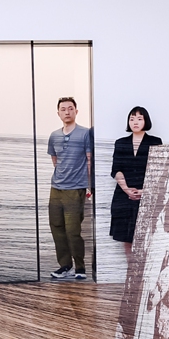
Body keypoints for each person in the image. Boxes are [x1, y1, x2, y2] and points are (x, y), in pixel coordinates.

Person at [48, 97, 94, 279]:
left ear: (76, 111)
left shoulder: (84, 134)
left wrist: (89, 186)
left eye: (70, 108)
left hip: (76, 189)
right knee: (56, 227)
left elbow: (89, 160)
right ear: (58, 113)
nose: (67, 112)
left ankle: (80, 268)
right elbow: (55, 161)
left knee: (73, 230)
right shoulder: (54, 136)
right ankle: (65, 266)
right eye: (63, 109)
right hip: (56, 188)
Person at [109, 106, 162, 261]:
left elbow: (159, 171)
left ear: (146, 121)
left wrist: (144, 191)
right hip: (123, 195)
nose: (135, 122)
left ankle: (143, 274)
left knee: (146, 236)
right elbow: (116, 170)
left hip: (147, 195)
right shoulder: (121, 143)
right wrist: (126, 190)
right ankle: (132, 272)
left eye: (139, 118)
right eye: (132, 119)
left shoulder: (155, 142)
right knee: (127, 236)